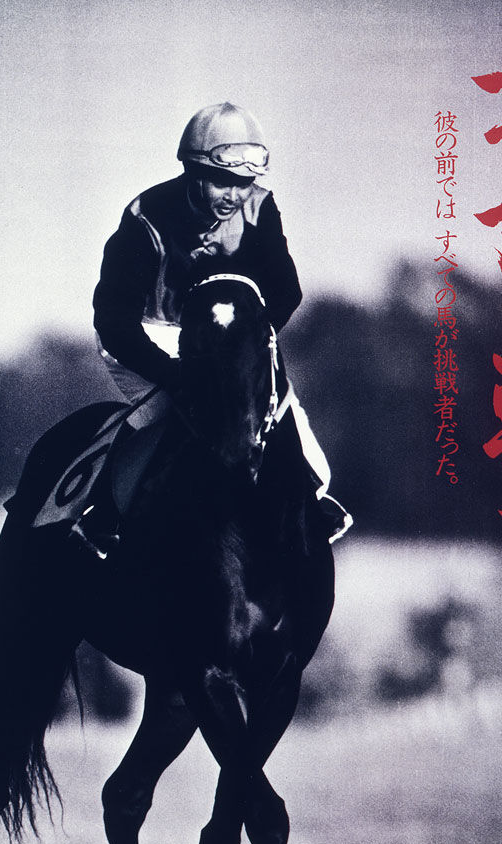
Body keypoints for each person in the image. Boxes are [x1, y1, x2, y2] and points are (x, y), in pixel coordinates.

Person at [89, 101, 351, 544]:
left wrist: (247, 347)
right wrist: (175, 375)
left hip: (227, 336)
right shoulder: (145, 218)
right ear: (192, 171)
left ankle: (312, 501)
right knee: (167, 411)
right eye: (221, 181)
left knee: (289, 426)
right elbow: (114, 322)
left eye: (244, 183)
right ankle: (102, 509)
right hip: (150, 335)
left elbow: (286, 291)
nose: (234, 195)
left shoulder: (261, 208)